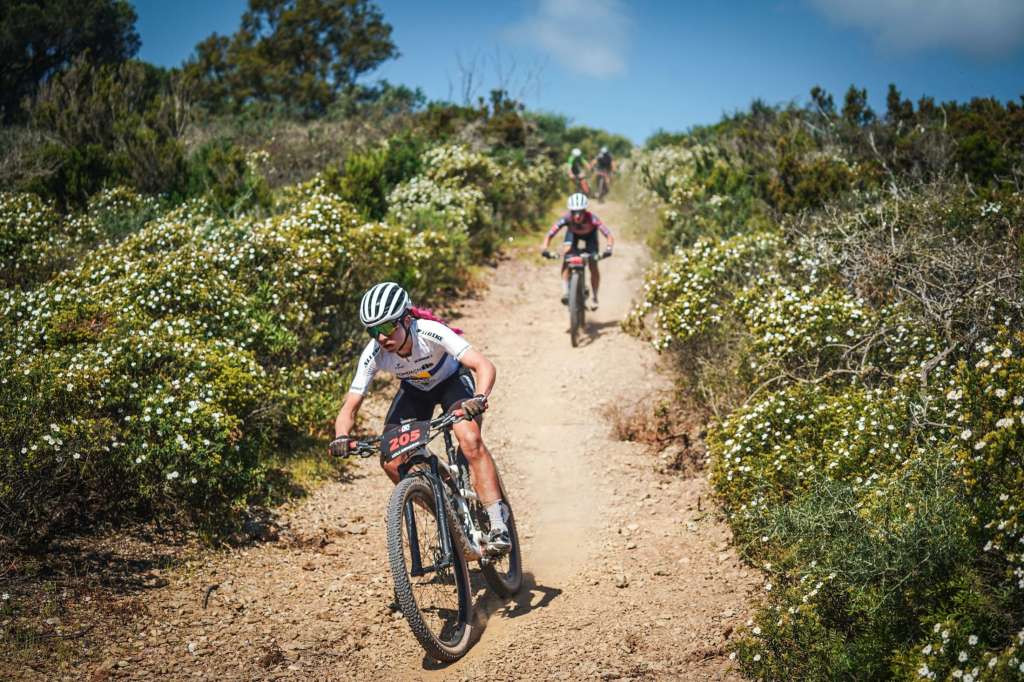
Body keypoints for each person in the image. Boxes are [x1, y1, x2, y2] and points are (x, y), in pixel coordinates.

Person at [329, 282, 510, 555]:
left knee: (469, 440)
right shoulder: (374, 353)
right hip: (416, 390)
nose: (381, 337)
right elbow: (350, 406)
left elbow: (483, 365)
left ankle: (498, 525)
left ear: (406, 319)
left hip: (452, 382)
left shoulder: (430, 331)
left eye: (387, 327)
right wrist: (341, 436)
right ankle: (448, 517)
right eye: (373, 331)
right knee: (392, 463)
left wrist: (480, 398)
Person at [540, 193, 614, 308]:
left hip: (590, 238)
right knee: (567, 258)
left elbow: (608, 235)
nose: (577, 216)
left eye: (580, 212)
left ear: (585, 211)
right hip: (573, 236)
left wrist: (608, 249)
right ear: (571, 212)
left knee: (593, 263)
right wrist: (544, 249)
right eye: (574, 212)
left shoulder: (592, 219)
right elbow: (550, 234)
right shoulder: (566, 218)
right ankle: (565, 292)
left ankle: (594, 297)